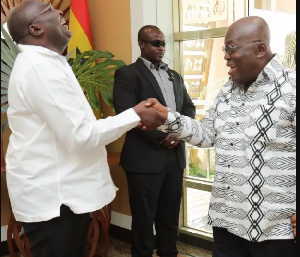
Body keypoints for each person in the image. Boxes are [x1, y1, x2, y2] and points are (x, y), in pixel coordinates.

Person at [5, 2, 164, 257]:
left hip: (64, 198)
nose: (59, 11)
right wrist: (135, 115)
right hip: (54, 201)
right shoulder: (39, 68)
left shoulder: (50, 62)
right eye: (49, 9)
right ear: (35, 28)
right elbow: (81, 135)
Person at [146, 16, 296, 257]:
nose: (225, 55)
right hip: (226, 223)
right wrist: (166, 118)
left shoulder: (292, 88)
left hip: (276, 231)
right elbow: (206, 134)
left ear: (260, 49)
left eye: (230, 49)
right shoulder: (227, 90)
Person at [113, 25, 195, 256]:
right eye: (155, 43)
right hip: (144, 159)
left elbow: (188, 107)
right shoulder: (127, 74)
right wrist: (164, 135)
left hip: (174, 158)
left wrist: (178, 133)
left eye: (163, 43)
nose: (161, 47)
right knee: (143, 219)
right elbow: (127, 114)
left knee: (170, 216)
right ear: (141, 44)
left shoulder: (174, 76)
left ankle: (169, 253)